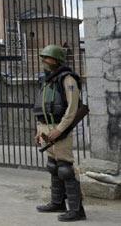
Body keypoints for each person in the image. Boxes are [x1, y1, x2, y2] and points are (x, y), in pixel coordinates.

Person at [34, 44, 86, 222]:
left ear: (56, 60)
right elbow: (42, 108)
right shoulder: (47, 80)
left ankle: (77, 210)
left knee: (65, 169)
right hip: (46, 128)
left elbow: (71, 110)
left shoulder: (68, 79)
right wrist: (39, 130)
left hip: (60, 128)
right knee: (53, 166)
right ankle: (57, 203)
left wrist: (59, 130)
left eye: (46, 58)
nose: (43, 61)